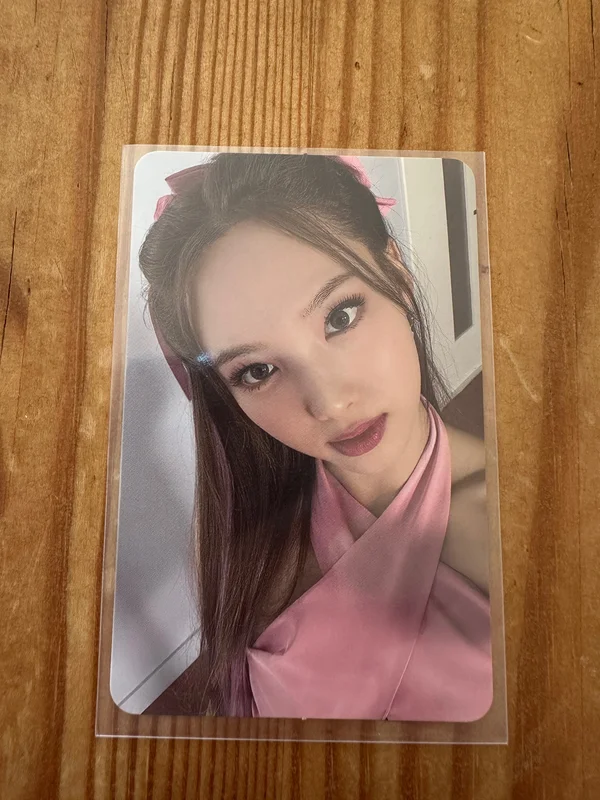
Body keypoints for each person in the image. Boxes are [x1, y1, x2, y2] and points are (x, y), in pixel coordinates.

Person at [137, 153, 492, 721]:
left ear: (396, 275)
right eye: (257, 370)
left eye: (340, 316)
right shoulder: (239, 532)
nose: (328, 403)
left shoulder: (518, 531)